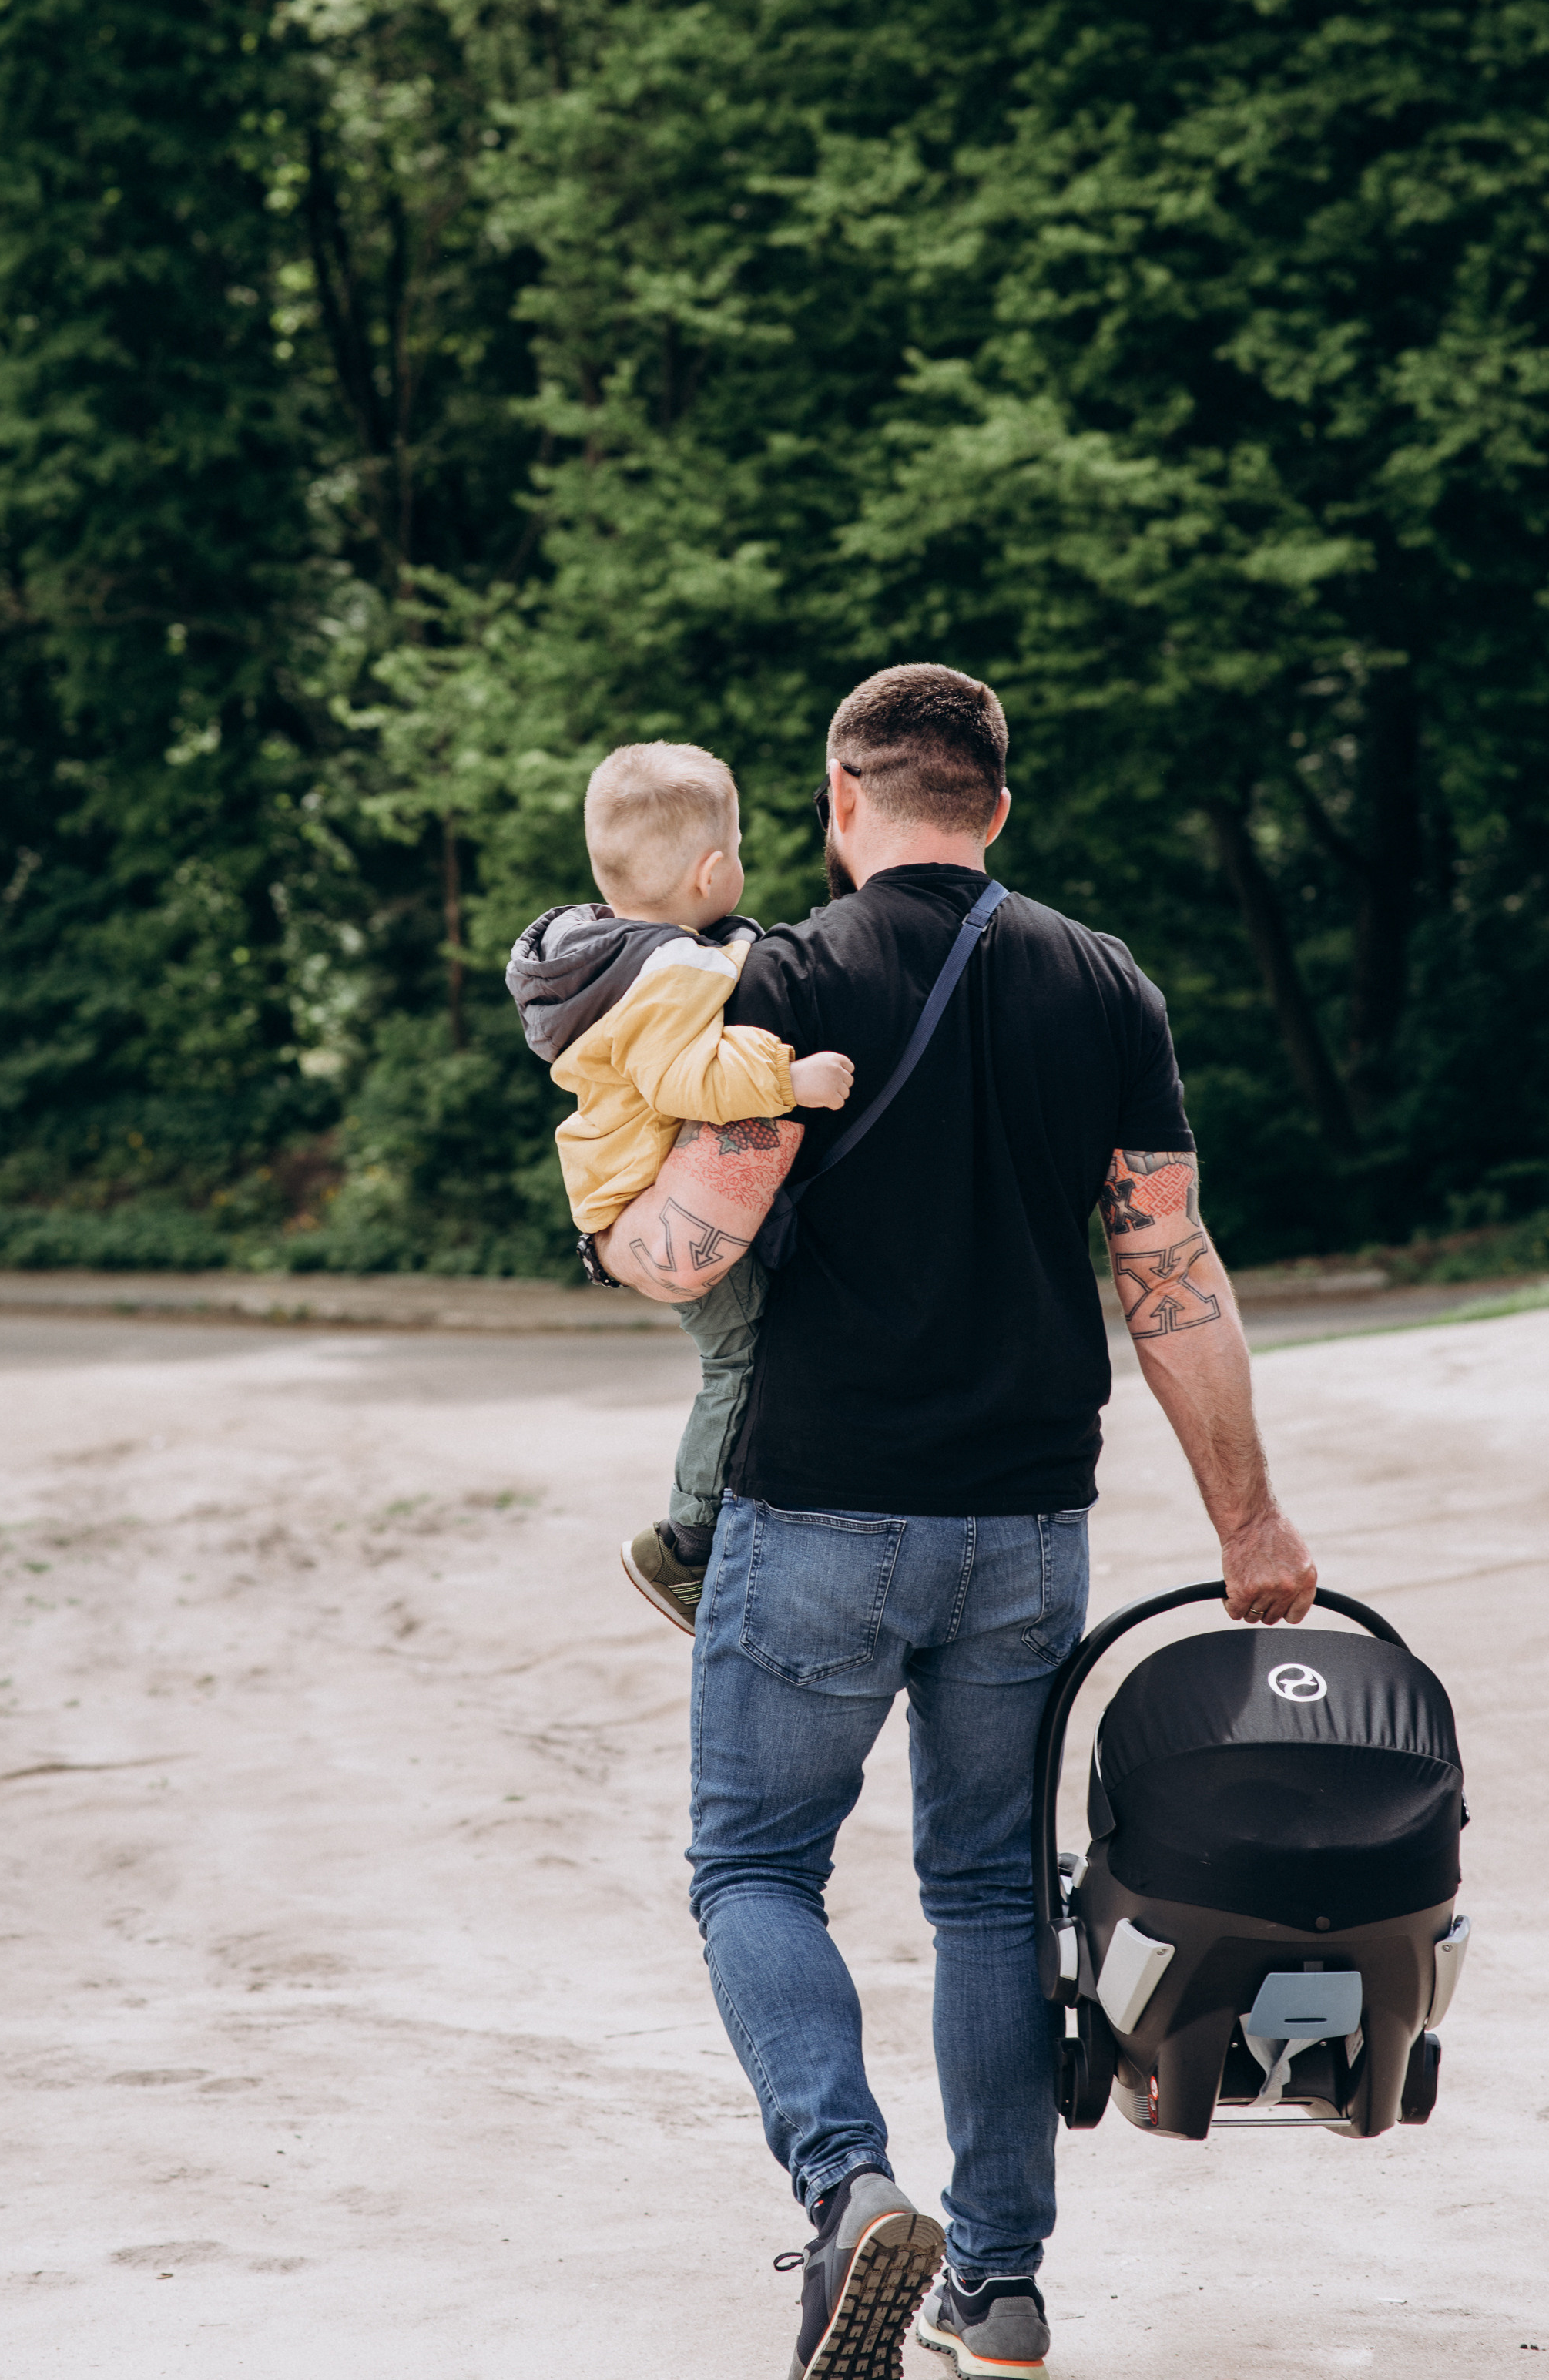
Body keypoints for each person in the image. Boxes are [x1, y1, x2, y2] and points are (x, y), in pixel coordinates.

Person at [595, 663, 1317, 2380]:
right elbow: (1169, 1276)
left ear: (843, 801)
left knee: (755, 1864)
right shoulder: (1102, 982)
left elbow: (679, 1257)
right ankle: (997, 2288)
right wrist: (1252, 1520)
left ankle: (847, 2189)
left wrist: (616, 1201)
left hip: (819, 1503)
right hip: (1022, 1524)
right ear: (994, 806)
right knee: (991, 1887)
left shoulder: (775, 979)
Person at [505, 740, 854, 1628]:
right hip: (644, 1199)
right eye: (736, 851)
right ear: (711, 869)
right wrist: (791, 1077)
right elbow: (683, 1080)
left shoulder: (610, 953)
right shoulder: (667, 976)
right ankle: (685, 1541)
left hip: (622, 1186)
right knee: (737, 1356)